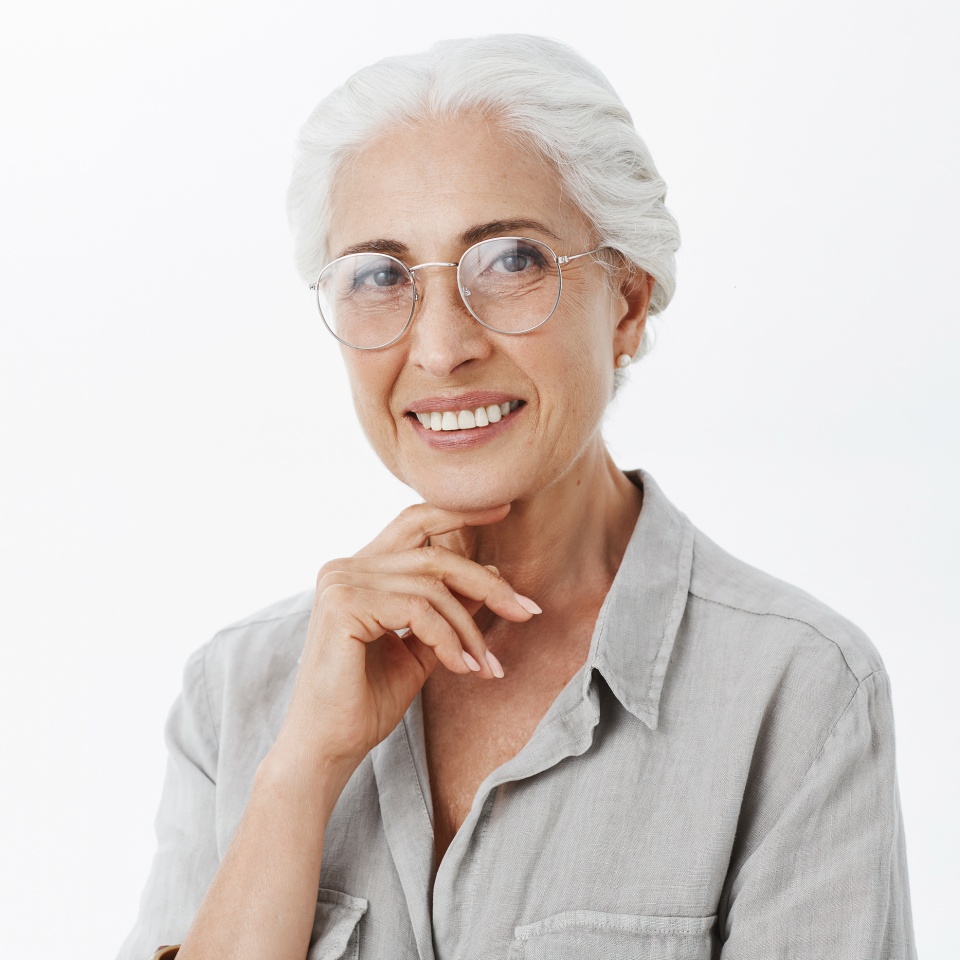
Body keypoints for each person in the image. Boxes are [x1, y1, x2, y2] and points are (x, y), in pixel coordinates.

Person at [117, 34, 915, 960]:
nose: (441, 346)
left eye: (509, 261)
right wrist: (299, 773)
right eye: (380, 276)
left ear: (625, 299)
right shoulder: (238, 691)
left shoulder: (796, 691)